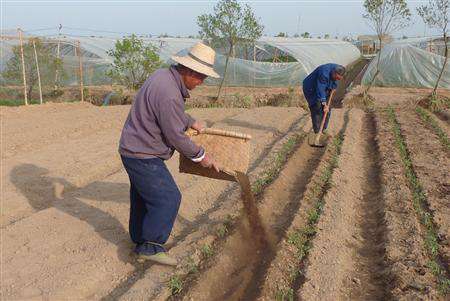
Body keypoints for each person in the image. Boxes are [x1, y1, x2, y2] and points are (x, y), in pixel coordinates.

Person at [119, 43, 220, 266]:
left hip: (133, 148)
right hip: (142, 153)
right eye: (201, 77)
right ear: (190, 71)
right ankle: (151, 246)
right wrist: (202, 155)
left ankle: (139, 239)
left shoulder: (162, 76)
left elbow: (170, 114)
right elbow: (175, 135)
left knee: (144, 197)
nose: (201, 82)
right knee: (168, 198)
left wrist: (190, 120)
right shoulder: (169, 93)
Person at [302, 63, 346, 134]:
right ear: (334, 73)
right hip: (311, 88)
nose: (337, 80)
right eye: (336, 78)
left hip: (324, 86)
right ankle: (317, 131)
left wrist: (333, 87)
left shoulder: (339, 69)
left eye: (338, 79)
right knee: (317, 107)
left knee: (327, 109)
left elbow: (334, 82)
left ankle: (323, 129)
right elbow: (320, 89)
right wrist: (324, 103)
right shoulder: (324, 73)